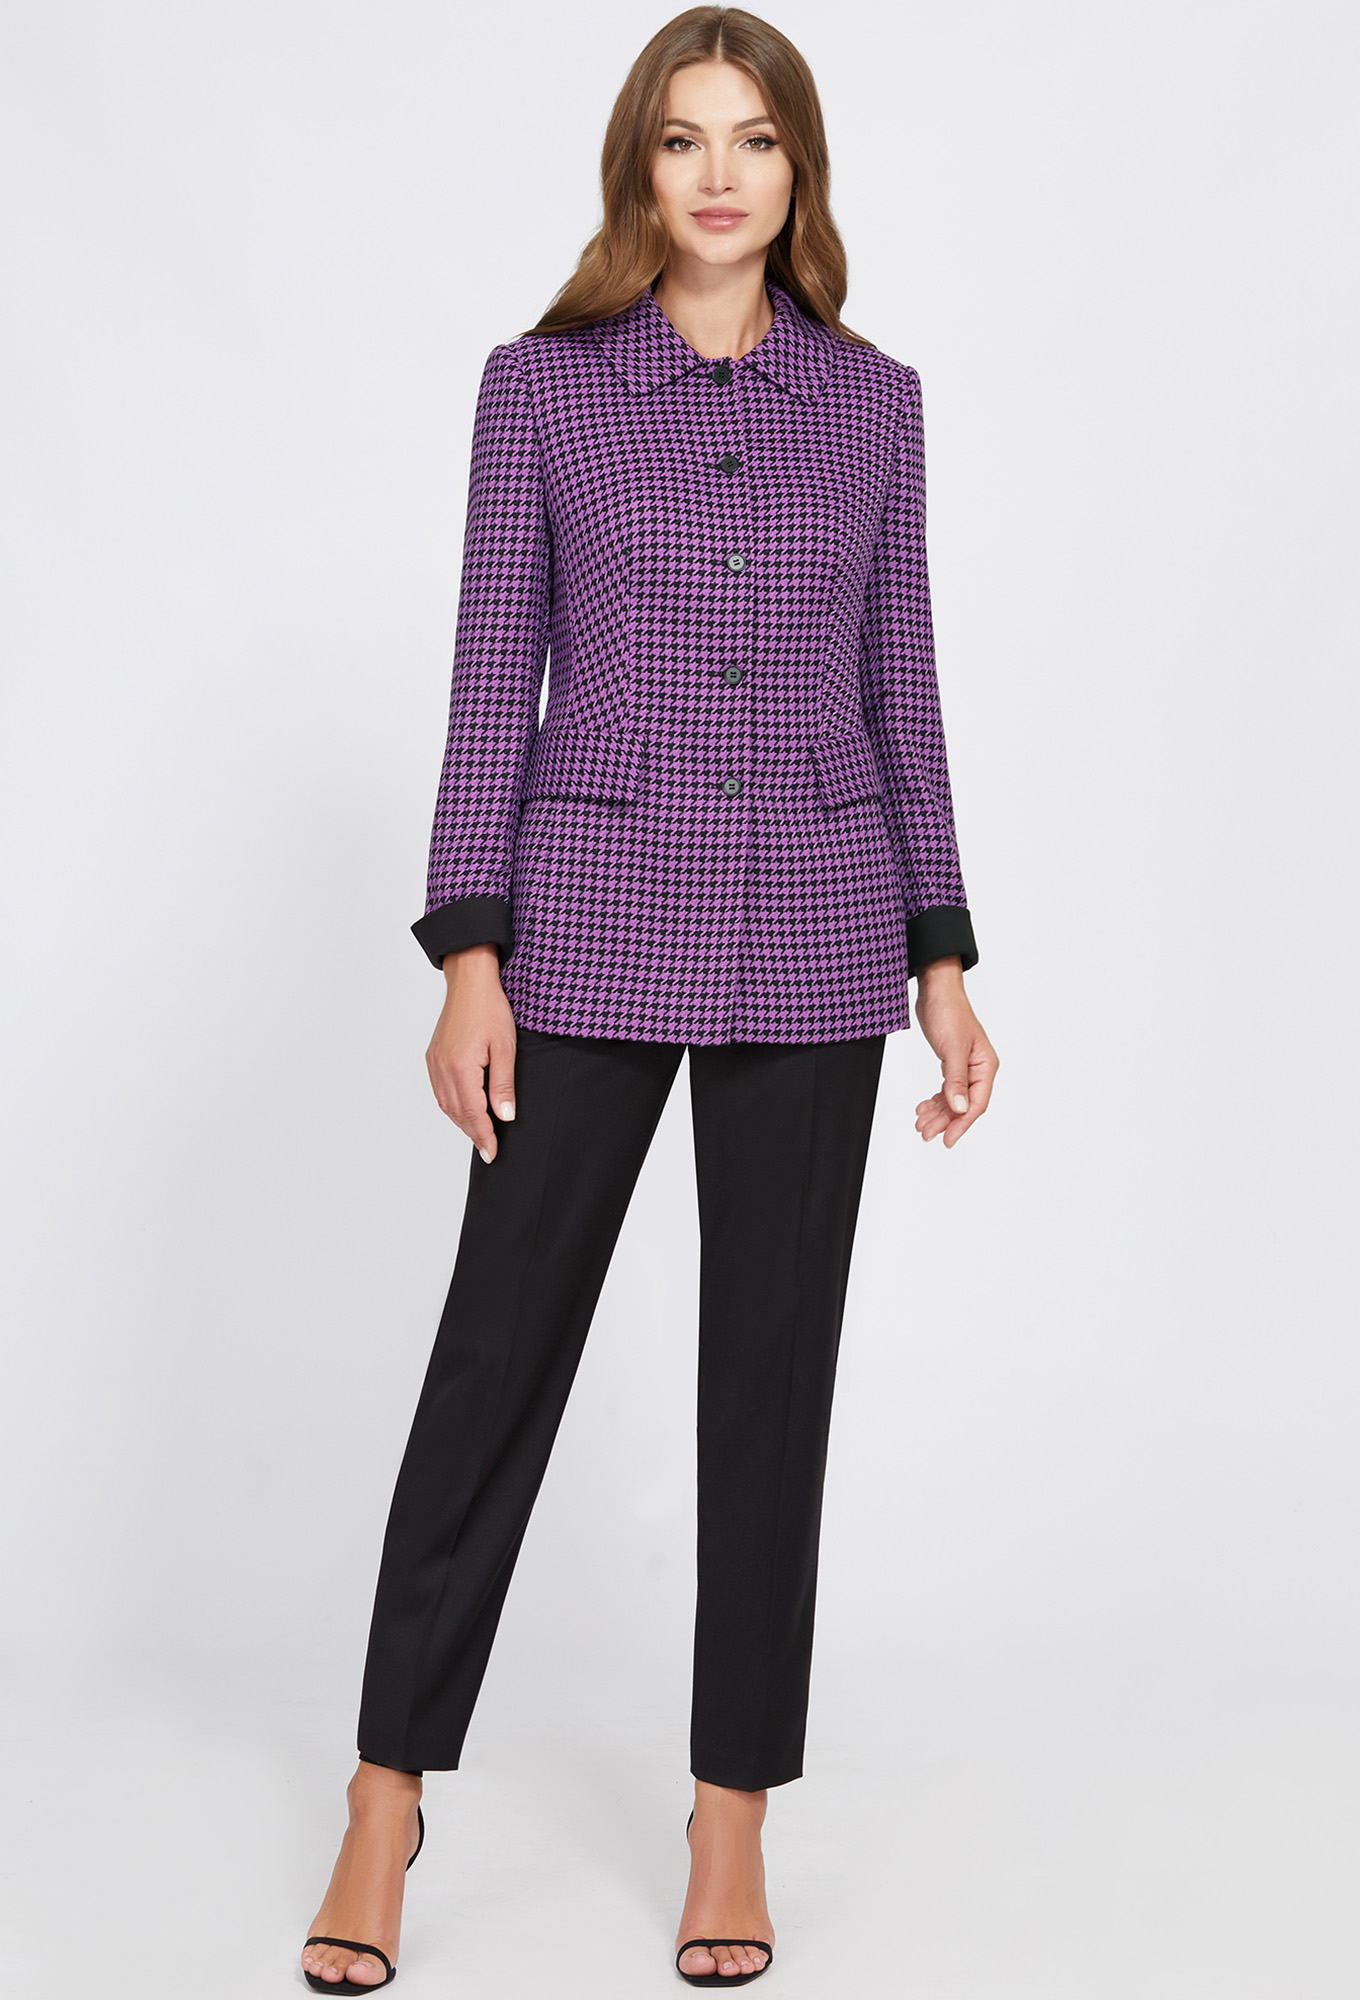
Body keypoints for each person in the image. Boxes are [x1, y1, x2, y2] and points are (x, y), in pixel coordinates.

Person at [301, 6, 999, 1989]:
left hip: (816, 923)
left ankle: (730, 1813)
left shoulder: (874, 404)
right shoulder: (540, 389)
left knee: (768, 1386)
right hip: (588, 919)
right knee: (493, 1361)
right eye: (683, 137)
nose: (717, 173)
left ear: (798, 170)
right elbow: (486, 679)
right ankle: (383, 1793)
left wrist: (941, 956)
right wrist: (469, 953)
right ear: (638, 165)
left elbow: (902, 686)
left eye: (752, 138)